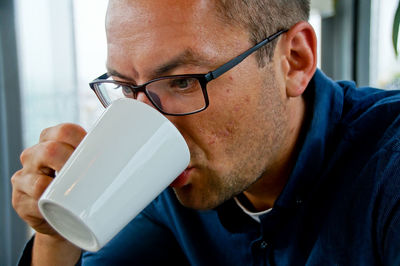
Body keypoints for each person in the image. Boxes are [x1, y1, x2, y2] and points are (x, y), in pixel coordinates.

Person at [11, 0, 400, 265]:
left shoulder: (388, 165)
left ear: (294, 60)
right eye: (127, 87)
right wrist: (57, 235)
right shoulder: (160, 187)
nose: (151, 123)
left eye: (181, 82)